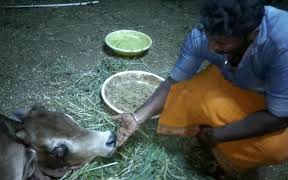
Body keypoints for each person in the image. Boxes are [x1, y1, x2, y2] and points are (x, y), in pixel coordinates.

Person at [112, 0, 288, 177]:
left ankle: (226, 158)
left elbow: (278, 118)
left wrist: (218, 135)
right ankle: (209, 134)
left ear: (252, 35)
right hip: (237, 78)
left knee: (274, 147)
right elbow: (174, 82)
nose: (211, 47)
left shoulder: (282, 46)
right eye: (209, 37)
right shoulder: (204, 33)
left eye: (221, 43)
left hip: (274, 97)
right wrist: (137, 117)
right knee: (187, 93)